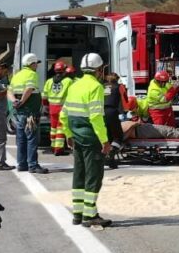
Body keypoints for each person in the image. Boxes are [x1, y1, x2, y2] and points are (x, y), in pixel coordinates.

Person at [60, 53, 113, 228]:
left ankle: (77, 213)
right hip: (91, 139)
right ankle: (90, 215)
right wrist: (104, 141)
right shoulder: (96, 87)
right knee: (94, 176)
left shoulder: (74, 85)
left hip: (76, 137)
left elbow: (63, 114)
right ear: (99, 69)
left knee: (79, 175)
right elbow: (96, 116)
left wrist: (68, 134)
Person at [8, 53, 48, 174]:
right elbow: (29, 89)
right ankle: (33, 165)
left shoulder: (17, 75)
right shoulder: (32, 74)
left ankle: (22, 164)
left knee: (21, 139)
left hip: (19, 113)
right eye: (36, 63)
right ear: (32, 64)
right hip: (30, 112)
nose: (37, 66)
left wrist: (14, 101)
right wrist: (21, 102)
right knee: (32, 139)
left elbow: (9, 91)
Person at [42, 61, 73, 156]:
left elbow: (44, 96)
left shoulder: (49, 81)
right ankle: (58, 149)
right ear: (64, 70)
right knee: (60, 128)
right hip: (63, 107)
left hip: (52, 107)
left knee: (53, 128)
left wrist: (46, 106)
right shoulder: (68, 81)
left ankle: (52, 146)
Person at [102, 72, 125, 169]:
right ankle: (111, 152)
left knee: (107, 136)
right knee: (118, 136)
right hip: (112, 112)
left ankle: (107, 160)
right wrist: (122, 113)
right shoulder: (119, 87)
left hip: (101, 112)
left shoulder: (102, 86)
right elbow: (123, 100)